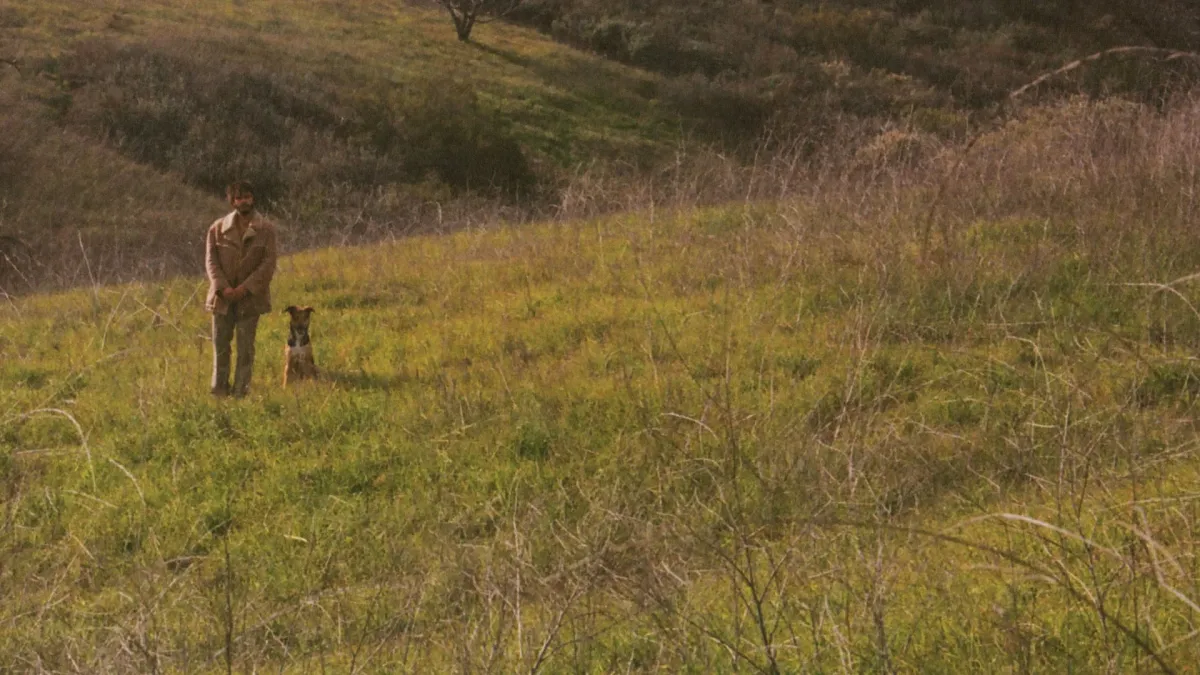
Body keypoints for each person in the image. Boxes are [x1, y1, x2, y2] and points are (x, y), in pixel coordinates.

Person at [205, 180, 278, 397]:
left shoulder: (266, 230)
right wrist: (223, 288)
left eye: (247, 197)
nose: (243, 201)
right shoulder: (217, 228)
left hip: (250, 299)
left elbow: (268, 264)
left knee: (245, 350)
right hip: (222, 299)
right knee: (220, 347)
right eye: (238, 198)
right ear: (232, 201)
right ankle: (219, 392)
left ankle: (240, 394)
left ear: (253, 198)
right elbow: (211, 261)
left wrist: (245, 289)